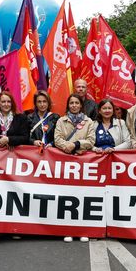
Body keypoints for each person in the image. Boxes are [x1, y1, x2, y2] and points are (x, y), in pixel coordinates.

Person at [54, 93, 96, 243]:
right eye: (71, 103)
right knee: (66, 196)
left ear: (81, 105)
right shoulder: (61, 121)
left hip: (83, 163)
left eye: (76, 103)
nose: (74, 105)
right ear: (68, 105)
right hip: (65, 162)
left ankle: (82, 229)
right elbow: (57, 139)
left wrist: (77, 145)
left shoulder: (88, 122)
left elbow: (91, 140)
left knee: (82, 196)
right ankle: (68, 230)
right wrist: (68, 147)